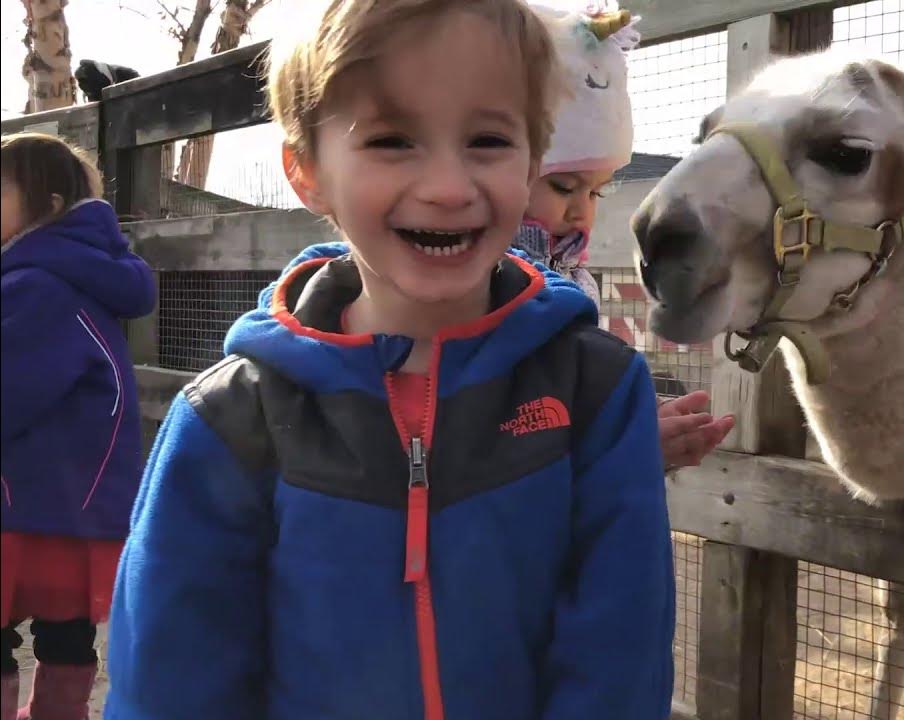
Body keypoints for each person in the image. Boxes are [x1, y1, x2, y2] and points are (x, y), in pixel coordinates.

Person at [105, 2, 674, 719]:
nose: (446, 185)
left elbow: (619, 660)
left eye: (488, 140)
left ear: (535, 157)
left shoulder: (596, 391)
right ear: (307, 171)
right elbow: (172, 676)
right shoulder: (233, 419)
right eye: (392, 140)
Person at [514, 5, 733, 470]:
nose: (582, 209)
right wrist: (628, 445)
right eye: (563, 186)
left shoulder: (568, 274)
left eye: (597, 190)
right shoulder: (494, 284)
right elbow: (516, 431)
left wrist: (632, 420)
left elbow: (573, 398)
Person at [1, 132, 156, 720]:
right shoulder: (69, 279)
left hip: (24, 501)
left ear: (50, 205)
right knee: (64, 634)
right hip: (70, 501)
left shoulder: (34, 287)